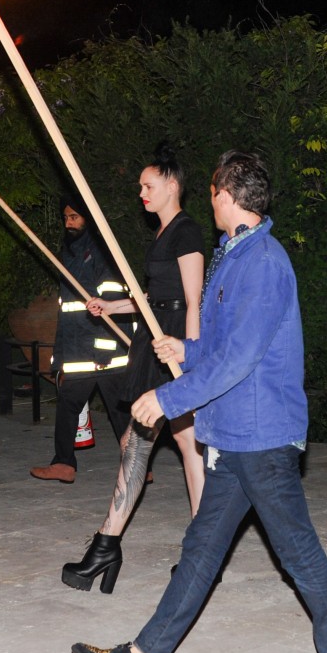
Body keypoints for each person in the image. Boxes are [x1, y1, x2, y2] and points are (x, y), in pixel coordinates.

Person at [71, 150, 327, 653]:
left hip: (261, 436)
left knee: (298, 554)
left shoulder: (264, 263)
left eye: (212, 193)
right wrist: (187, 348)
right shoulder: (239, 256)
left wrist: (169, 395)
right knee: (203, 548)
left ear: (226, 196)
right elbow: (225, 350)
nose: (211, 202)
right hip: (234, 435)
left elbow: (241, 362)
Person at [61, 144, 206, 594]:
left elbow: (192, 301)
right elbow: (152, 299)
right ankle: (113, 544)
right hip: (153, 338)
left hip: (171, 344)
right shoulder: (163, 234)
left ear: (172, 185)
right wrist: (113, 306)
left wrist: (190, 353)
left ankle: (185, 552)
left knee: (181, 443)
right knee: (148, 439)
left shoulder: (187, 233)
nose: (141, 192)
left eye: (148, 185)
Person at [30, 195, 131, 483]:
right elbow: (70, 309)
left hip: (103, 353)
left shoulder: (101, 251)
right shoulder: (71, 251)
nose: (69, 222)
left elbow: (112, 302)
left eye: (74, 216)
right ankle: (64, 463)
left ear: (88, 218)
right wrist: (62, 353)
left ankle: (138, 464)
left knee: (119, 411)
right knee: (69, 406)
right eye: (66, 217)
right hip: (77, 349)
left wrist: (104, 351)